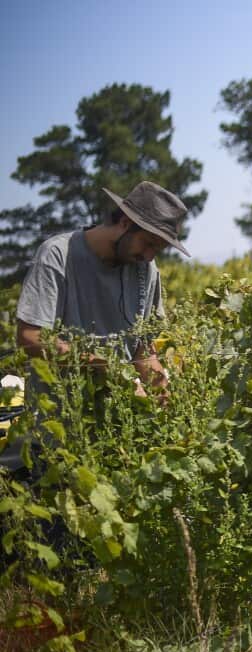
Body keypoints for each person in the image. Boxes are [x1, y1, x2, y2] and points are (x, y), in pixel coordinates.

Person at [2, 181, 184, 471]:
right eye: (148, 243)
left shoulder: (145, 270)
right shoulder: (58, 256)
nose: (150, 255)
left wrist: (163, 392)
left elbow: (141, 349)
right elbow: (30, 337)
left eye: (158, 249)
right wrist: (102, 366)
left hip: (118, 439)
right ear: (125, 223)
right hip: (57, 434)